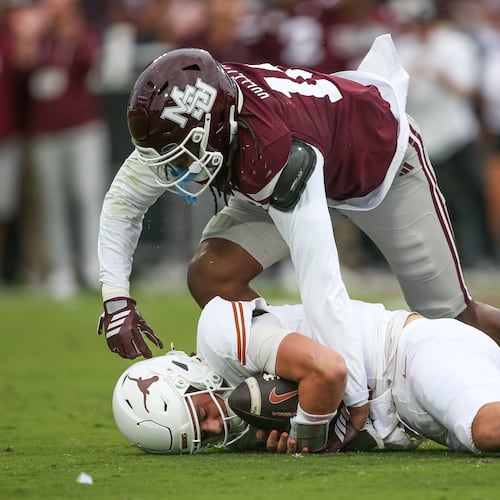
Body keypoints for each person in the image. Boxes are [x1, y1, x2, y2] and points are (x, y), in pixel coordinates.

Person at [97, 34, 500, 435]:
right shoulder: (206, 114)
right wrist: (116, 300)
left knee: (450, 319)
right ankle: (293, 375)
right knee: (212, 275)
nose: (173, 171)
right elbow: (123, 203)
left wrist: (351, 394)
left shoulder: (274, 150)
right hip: (310, 162)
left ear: (214, 127)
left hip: (381, 169)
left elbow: (321, 281)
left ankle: (322, 377)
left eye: (183, 154)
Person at [112, 295, 500, 455]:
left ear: (188, 378)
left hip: (409, 354)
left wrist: (310, 435)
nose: (216, 427)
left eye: (201, 414)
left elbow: (328, 369)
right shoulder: (246, 425)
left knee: (487, 429)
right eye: (203, 438)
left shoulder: (220, 337)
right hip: (412, 415)